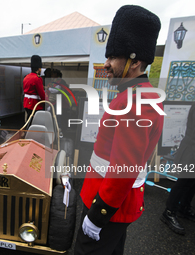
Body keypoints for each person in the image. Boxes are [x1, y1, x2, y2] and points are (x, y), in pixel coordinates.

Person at [74, 5, 163, 255]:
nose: (106, 64)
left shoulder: (132, 102)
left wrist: (98, 216)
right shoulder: (141, 96)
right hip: (115, 202)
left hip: (106, 203)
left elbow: (123, 168)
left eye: (113, 57)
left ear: (134, 61)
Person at [161, 102, 195, 235]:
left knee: (192, 182)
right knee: (184, 181)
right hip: (191, 149)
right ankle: (169, 212)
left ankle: (184, 207)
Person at [23, 55, 45, 122]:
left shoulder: (26, 77)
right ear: (39, 69)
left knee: (28, 120)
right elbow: (41, 93)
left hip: (26, 102)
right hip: (34, 104)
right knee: (35, 122)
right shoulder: (37, 78)